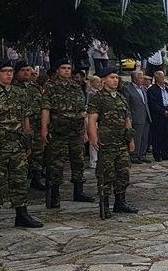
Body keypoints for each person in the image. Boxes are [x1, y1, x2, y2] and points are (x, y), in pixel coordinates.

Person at [0, 59, 43, 234]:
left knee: (19, 180)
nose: (8, 74)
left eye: (11, 71)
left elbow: (25, 117)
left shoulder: (20, 93)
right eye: (5, 71)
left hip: (17, 143)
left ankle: (22, 214)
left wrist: (27, 140)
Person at [41, 59, 95, 207]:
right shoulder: (50, 86)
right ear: (57, 70)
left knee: (78, 161)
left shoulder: (75, 87)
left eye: (68, 68)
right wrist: (44, 129)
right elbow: (46, 109)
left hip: (76, 130)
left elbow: (82, 111)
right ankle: (55, 195)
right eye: (63, 68)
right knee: (57, 163)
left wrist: (84, 131)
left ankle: (79, 191)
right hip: (58, 130)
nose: (66, 71)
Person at [87, 66, 138, 219]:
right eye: (112, 77)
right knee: (105, 174)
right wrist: (93, 138)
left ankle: (120, 202)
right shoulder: (98, 98)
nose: (115, 80)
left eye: (116, 77)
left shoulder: (121, 97)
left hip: (121, 142)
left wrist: (130, 139)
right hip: (107, 143)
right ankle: (104, 204)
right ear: (103, 80)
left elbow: (127, 119)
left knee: (123, 173)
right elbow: (92, 119)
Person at [13, 62, 45, 191]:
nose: (26, 73)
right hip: (20, 127)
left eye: (28, 70)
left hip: (37, 125)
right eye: (23, 70)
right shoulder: (13, 88)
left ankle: (36, 178)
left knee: (38, 152)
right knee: (22, 153)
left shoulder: (35, 87)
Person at [147, 71, 168, 161]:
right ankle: (157, 154)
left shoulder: (167, 89)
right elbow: (153, 103)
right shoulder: (152, 90)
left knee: (167, 135)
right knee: (158, 135)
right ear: (156, 78)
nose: (163, 79)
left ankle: (165, 153)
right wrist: (163, 112)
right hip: (158, 115)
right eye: (161, 77)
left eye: (163, 77)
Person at [86, 76, 102, 169]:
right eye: (97, 82)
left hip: (99, 117)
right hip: (92, 117)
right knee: (93, 138)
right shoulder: (90, 93)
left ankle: (98, 159)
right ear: (92, 83)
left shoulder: (99, 92)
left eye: (99, 82)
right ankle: (93, 160)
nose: (99, 84)